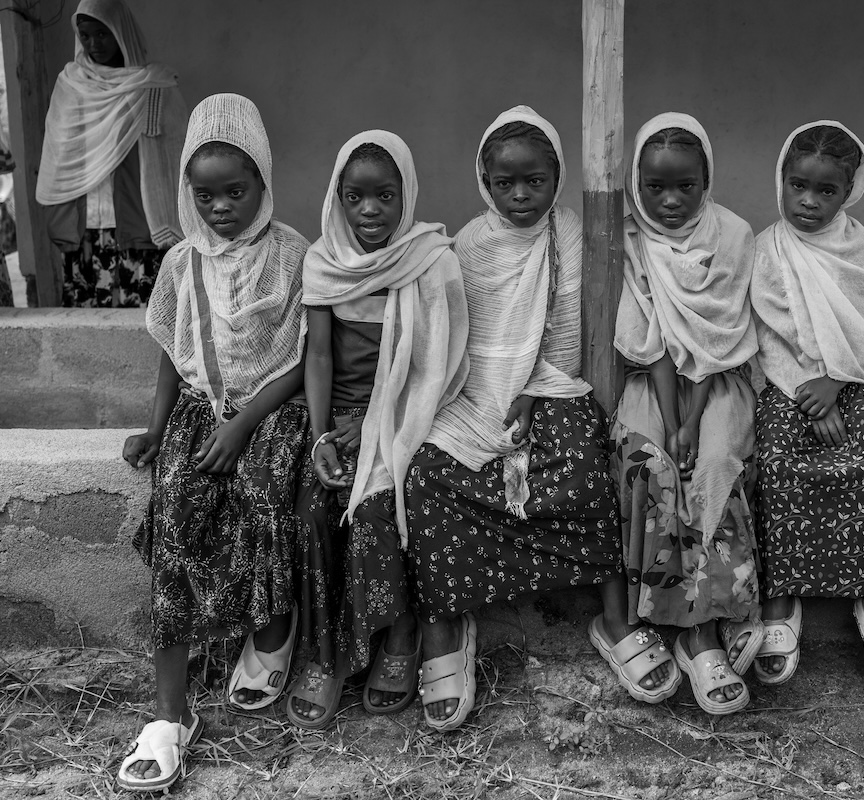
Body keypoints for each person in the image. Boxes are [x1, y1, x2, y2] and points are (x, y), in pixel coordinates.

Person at [405, 106, 680, 732]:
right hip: (474, 395)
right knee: (427, 477)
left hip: (553, 387)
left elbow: (565, 336)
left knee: (584, 472)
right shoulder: (472, 243)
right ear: (484, 180)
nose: (521, 194)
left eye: (536, 180)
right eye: (506, 183)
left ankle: (614, 620)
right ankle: (448, 624)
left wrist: (532, 389)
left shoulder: (569, 235)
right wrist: (487, 399)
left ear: (558, 177)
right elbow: (458, 338)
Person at [117, 93, 308, 792]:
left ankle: (270, 630)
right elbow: (172, 349)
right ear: (186, 193)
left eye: (237, 190)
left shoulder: (291, 255)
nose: (221, 206)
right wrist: (159, 429)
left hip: (273, 408)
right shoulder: (180, 263)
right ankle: (170, 713)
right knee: (175, 504)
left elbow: (296, 360)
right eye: (206, 194)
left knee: (264, 484)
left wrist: (244, 423)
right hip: (202, 408)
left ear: (263, 183)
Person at [287, 131, 469, 729]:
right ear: (337, 199)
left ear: (406, 194)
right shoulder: (323, 261)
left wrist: (373, 426)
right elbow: (317, 359)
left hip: (406, 414)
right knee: (315, 506)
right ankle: (326, 651)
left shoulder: (431, 260)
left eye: (384, 196)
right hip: (335, 423)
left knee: (375, 509)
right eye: (355, 197)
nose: (369, 212)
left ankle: (398, 635)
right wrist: (320, 437)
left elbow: (436, 369)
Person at [750, 122, 864, 687]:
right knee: (774, 461)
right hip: (786, 381)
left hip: (854, 381)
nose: (809, 202)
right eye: (798, 186)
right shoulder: (766, 248)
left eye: (826, 192)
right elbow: (770, 333)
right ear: (782, 182)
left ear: (848, 193)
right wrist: (808, 389)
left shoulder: (862, 248)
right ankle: (782, 597)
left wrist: (837, 383)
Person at [613, 113, 761, 715]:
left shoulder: (732, 235)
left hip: (720, 382)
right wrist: (673, 425)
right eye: (655, 187)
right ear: (636, 185)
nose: (670, 201)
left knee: (716, 461)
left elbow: (715, 340)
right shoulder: (633, 240)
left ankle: (706, 627)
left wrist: (693, 423)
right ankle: (661, 617)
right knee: (652, 462)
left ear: (707, 182)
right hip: (655, 382)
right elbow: (655, 346)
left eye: (686, 187)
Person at [36, 0, 187, 307]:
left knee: (146, 320)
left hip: (142, 225)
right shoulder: (72, 86)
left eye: (103, 34)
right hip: (86, 227)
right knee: (88, 324)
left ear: (122, 33)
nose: (94, 44)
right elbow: (59, 159)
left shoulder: (154, 86)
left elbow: (175, 159)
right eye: (85, 35)